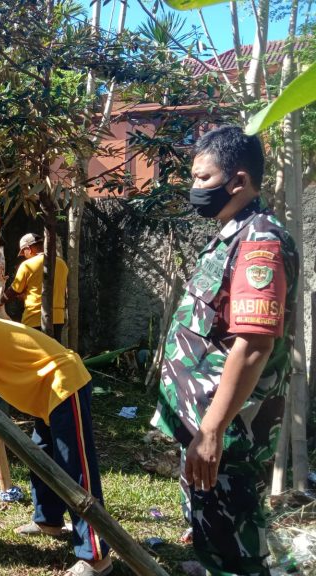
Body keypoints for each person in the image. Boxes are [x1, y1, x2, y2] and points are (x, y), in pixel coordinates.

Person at [151, 126, 299, 576]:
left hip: (229, 431)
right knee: (210, 522)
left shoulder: (260, 244)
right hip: (205, 423)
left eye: (203, 178)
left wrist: (212, 431)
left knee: (234, 541)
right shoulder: (232, 235)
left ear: (237, 181)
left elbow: (254, 345)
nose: (194, 188)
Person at [0, 297, 112, 576]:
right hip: (49, 397)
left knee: (77, 470)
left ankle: (96, 556)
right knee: (40, 457)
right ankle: (49, 521)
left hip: (64, 384)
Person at [0, 232, 68, 338]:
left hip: (34, 318)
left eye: (23, 252)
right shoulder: (62, 264)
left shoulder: (27, 265)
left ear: (29, 248)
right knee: (53, 351)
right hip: (58, 318)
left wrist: (0, 301)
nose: (24, 256)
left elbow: (15, 290)